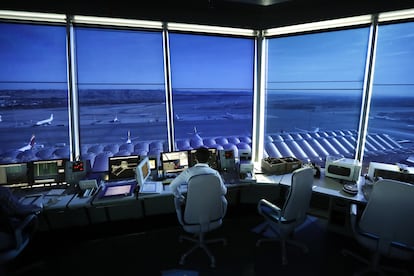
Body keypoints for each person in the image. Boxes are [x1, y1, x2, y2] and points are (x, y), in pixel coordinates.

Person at [169, 146, 227, 219]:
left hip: (191, 217)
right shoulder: (215, 173)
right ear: (209, 159)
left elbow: (172, 186)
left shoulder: (188, 172)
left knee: (176, 199)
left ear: (195, 158)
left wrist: (181, 198)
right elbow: (223, 192)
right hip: (213, 217)